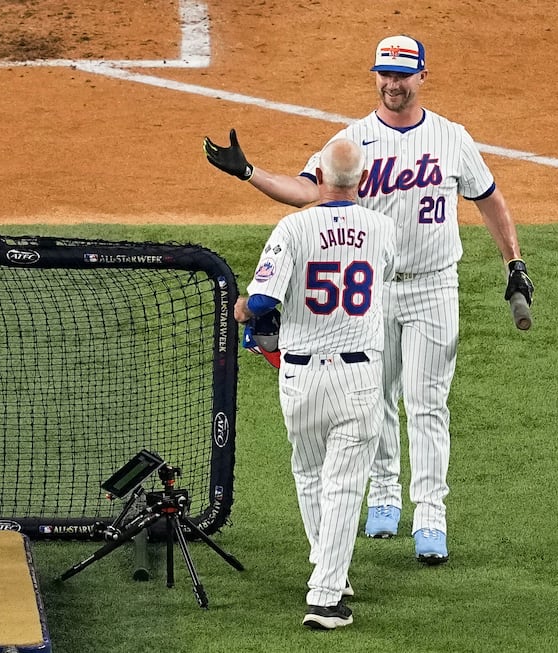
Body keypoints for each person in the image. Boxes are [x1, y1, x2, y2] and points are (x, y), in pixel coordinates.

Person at [206, 34, 533, 565]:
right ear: (375, 74)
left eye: (403, 74)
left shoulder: (452, 139)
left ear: (423, 76)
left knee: (428, 403)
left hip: (434, 284)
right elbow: (307, 189)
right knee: (375, 397)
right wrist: (249, 173)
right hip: (375, 293)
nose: (392, 83)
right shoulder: (353, 140)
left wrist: (513, 264)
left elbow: (489, 199)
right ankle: (383, 495)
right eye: (384, 73)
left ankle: (430, 514)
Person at [234, 138, 396, 630]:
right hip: (358, 377)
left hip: (300, 376)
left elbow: (261, 303)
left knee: (309, 473)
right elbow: (380, 276)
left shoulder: (293, 226)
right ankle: (326, 596)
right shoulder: (383, 228)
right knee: (345, 486)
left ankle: (330, 574)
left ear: (318, 179)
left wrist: (242, 308)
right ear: (362, 182)